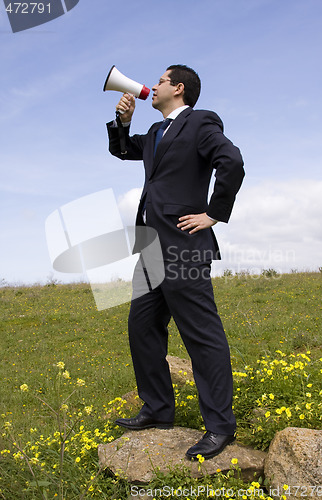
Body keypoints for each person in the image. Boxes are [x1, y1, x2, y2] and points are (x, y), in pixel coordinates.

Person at [106, 64, 245, 460]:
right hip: (151, 247)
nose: (155, 84)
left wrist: (213, 213)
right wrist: (123, 122)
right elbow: (121, 150)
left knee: (201, 337)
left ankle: (220, 427)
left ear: (178, 89)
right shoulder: (154, 133)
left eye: (162, 80)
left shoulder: (200, 122)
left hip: (184, 245)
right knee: (142, 327)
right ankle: (157, 409)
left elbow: (231, 162)